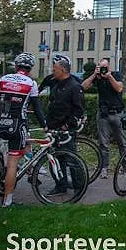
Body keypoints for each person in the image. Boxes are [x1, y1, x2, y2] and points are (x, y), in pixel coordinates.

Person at [0, 53, 46, 207]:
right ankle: (7, 201)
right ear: (30, 68)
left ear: (16, 66)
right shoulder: (31, 83)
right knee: (13, 164)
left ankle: (29, 168)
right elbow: (37, 108)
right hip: (18, 125)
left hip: (3, 123)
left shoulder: (3, 79)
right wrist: (44, 125)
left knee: (24, 145)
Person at [44, 54, 86, 196]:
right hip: (53, 127)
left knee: (71, 159)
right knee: (55, 159)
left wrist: (68, 125)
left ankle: (78, 187)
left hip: (65, 130)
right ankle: (60, 185)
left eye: (55, 69)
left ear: (63, 70)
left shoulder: (74, 86)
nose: (52, 72)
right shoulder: (57, 85)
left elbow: (79, 109)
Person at [82, 58, 126, 178]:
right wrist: (94, 75)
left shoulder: (116, 75)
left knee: (122, 142)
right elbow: (83, 87)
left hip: (117, 113)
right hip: (103, 114)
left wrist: (109, 76)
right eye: (100, 67)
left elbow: (119, 88)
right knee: (103, 143)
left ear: (109, 67)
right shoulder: (97, 77)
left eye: (105, 67)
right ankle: (104, 168)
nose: (103, 70)